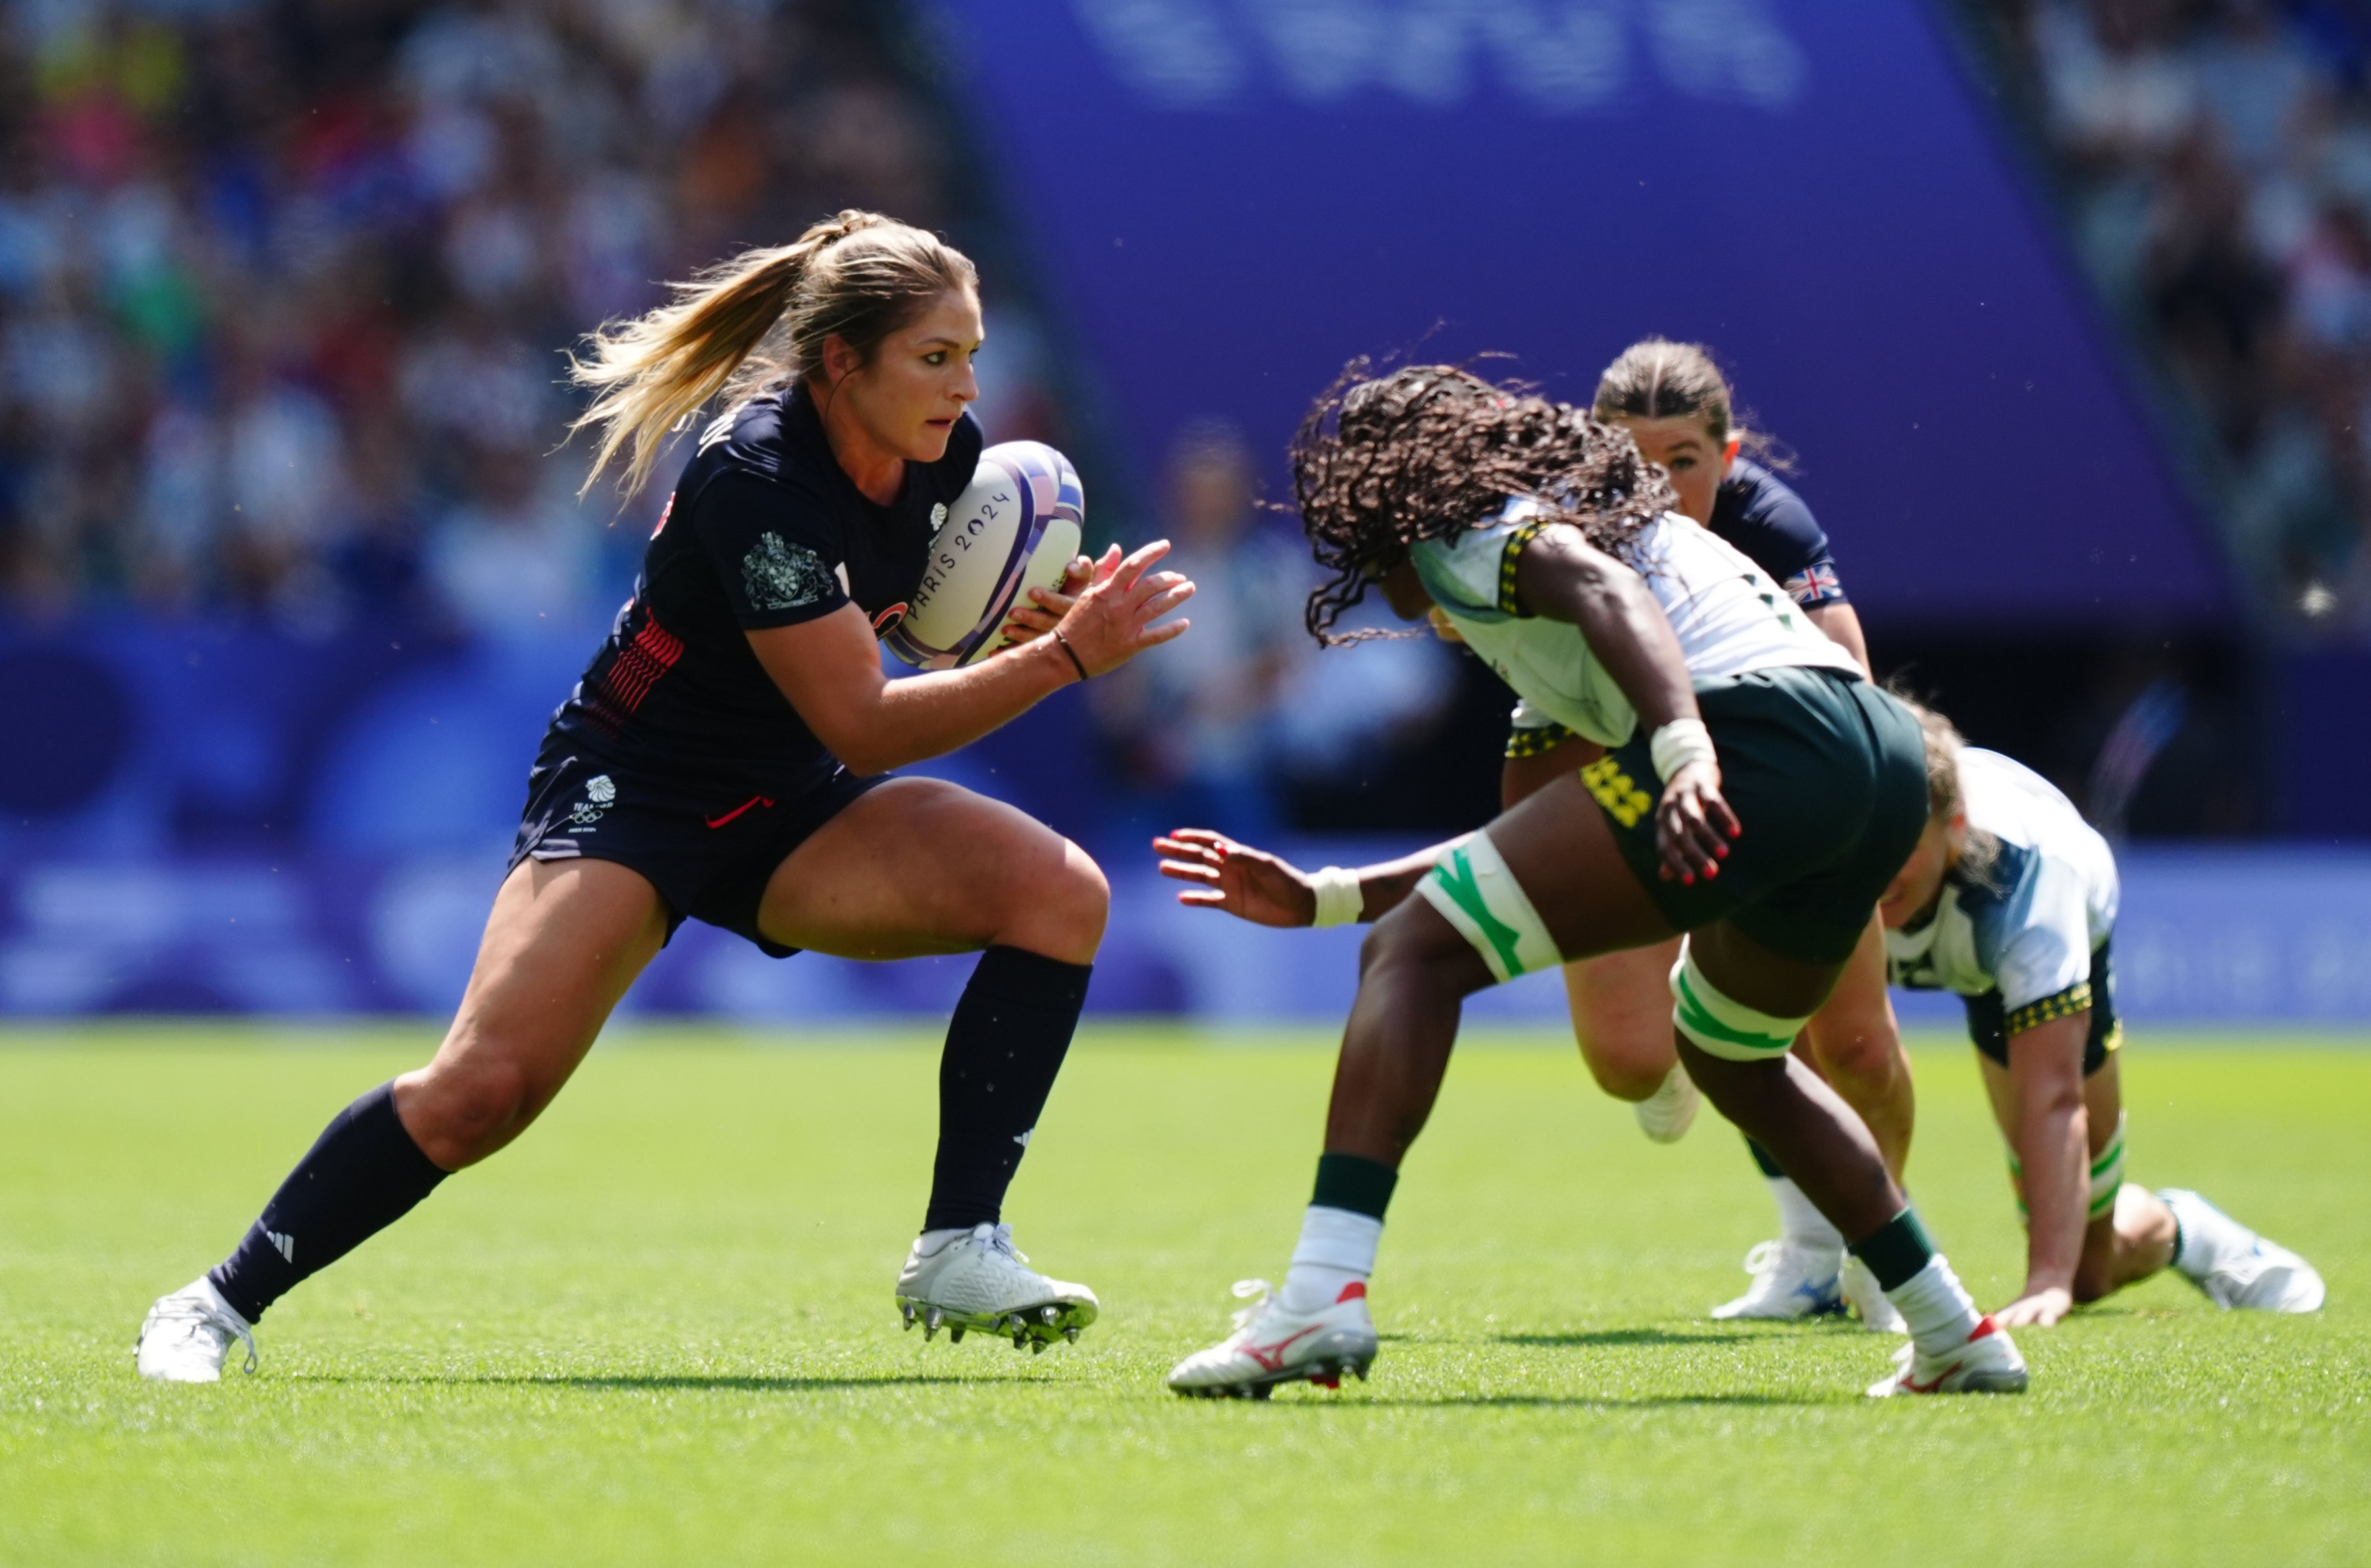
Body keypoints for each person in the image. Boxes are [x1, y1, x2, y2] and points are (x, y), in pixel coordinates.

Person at [133, 210, 1195, 1382]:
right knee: (483, 1090)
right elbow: (863, 717)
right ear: (843, 361)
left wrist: (1021, 628)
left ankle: (959, 1244)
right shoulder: (754, 474)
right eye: (936, 356)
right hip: (634, 789)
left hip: (789, 799)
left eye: (971, 353)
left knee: (1058, 895)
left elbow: (901, 653)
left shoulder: (943, 455)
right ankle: (214, 1303)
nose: (965, 385)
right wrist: (1064, 661)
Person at [1158, 363, 2027, 1399]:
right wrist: (1330, 895)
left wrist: (1685, 747)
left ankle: (1317, 1300)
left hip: (1760, 738)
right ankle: (1952, 1329)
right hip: (1871, 760)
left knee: (1410, 958)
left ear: (1391, 496)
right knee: (1732, 1055)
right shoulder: (1558, 604)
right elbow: (1509, 849)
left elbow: (1606, 594)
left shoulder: (1476, 531)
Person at [1499, 338, 1914, 1326]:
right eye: (1632, 460)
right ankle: (1801, 1227)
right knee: (1630, 1059)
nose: (1658, 484)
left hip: (1785, 773)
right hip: (1622, 749)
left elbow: (1846, 675)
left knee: (1850, 1042)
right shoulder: (1559, 529)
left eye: (1682, 460)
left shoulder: (1770, 524)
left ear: (1726, 459)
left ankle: (1864, 1255)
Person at [1878, 702, 2324, 1324]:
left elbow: (2054, 1100)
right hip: (1966, 934)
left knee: (2089, 1269)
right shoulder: (1835, 853)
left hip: (2048, 938)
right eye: (1870, 841)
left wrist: (2047, 1283)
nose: (1878, 869)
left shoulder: (2031, 887)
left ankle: (2189, 1229)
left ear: (1954, 828)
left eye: (1903, 845)